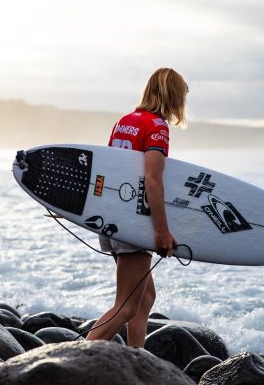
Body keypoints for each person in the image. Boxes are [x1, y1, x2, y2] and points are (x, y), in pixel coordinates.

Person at [86, 68, 188, 348]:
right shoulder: (156, 126)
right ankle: (72, 359)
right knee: (126, 306)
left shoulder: (126, 121)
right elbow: (153, 180)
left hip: (112, 219)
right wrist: (162, 231)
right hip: (132, 224)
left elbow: (106, 171)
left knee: (145, 298)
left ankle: (136, 356)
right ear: (175, 97)